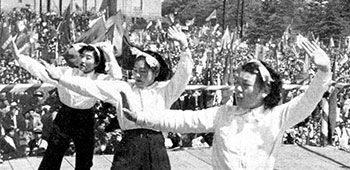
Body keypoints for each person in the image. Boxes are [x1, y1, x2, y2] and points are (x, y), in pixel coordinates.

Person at [121, 37, 332, 170]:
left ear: (265, 90)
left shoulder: (277, 116)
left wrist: (323, 71)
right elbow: (181, 119)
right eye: (236, 83)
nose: (237, 89)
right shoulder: (223, 113)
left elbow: (308, 101)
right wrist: (140, 117)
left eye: (245, 85)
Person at [44, 26, 192, 170]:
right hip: (129, 145)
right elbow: (89, 86)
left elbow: (183, 76)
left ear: (155, 72)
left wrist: (184, 47)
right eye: (135, 71)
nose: (137, 75)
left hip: (155, 145)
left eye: (143, 72)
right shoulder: (124, 88)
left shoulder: (165, 90)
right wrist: (60, 79)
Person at [11, 39, 122, 170]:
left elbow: (117, 79)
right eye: (82, 56)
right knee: (52, 155)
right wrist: (19, 57)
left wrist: (109, 54)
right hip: (65, 115)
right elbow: (40, 70)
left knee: (84, 159)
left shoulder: (99, 78)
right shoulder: (66, 72)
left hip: (85, 118)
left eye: (88, 58)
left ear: (97, 62)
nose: (83, 61)